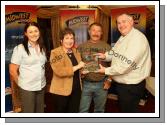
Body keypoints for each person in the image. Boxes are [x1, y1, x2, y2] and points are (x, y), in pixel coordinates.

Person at [96, 13, 152, 113]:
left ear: (131, 22)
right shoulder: (124, 37)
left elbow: (126, 66)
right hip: (124, 85)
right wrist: (105, 56)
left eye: (124, 22)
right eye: (118, 23)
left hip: (131, 87)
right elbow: (115, 52)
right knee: (125, 110)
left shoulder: (137, 39)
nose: (121, 25)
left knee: (128, 112)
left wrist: (106, 70)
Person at [9, 22, 47, 113]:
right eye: (30, 32)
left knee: (40, 112)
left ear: (39, 32)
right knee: (29, 113)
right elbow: (12, 70)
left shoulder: (42, 47)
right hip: (27, 88)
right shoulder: (19, 49)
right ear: (26, 34)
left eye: (36, 31)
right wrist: (22, 85)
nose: (34, 34)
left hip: (41, 86)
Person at [49, 28, 85, 113]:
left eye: (71, 38)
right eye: (67, 38)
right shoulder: (55, 53)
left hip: (76, 89)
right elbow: (59, 71)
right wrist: (78, 66)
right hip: (61, 90)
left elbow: (79, 68)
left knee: (74, 112)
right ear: (61, 40)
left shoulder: (76, 51)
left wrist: (83, 72)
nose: (69, 41)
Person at [78, 23, 112, 113]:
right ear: (89, 32)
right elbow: (77, 64)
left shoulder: (107, 47)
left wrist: (109, 80)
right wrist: (81, 73)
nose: (96, 33)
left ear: (101, 33)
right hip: (85, 84)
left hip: (102, 84)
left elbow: (114, 65)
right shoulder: (81, 47)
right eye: (93, 30)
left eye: (98, 31)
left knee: (99, 111)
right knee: (82, 110)